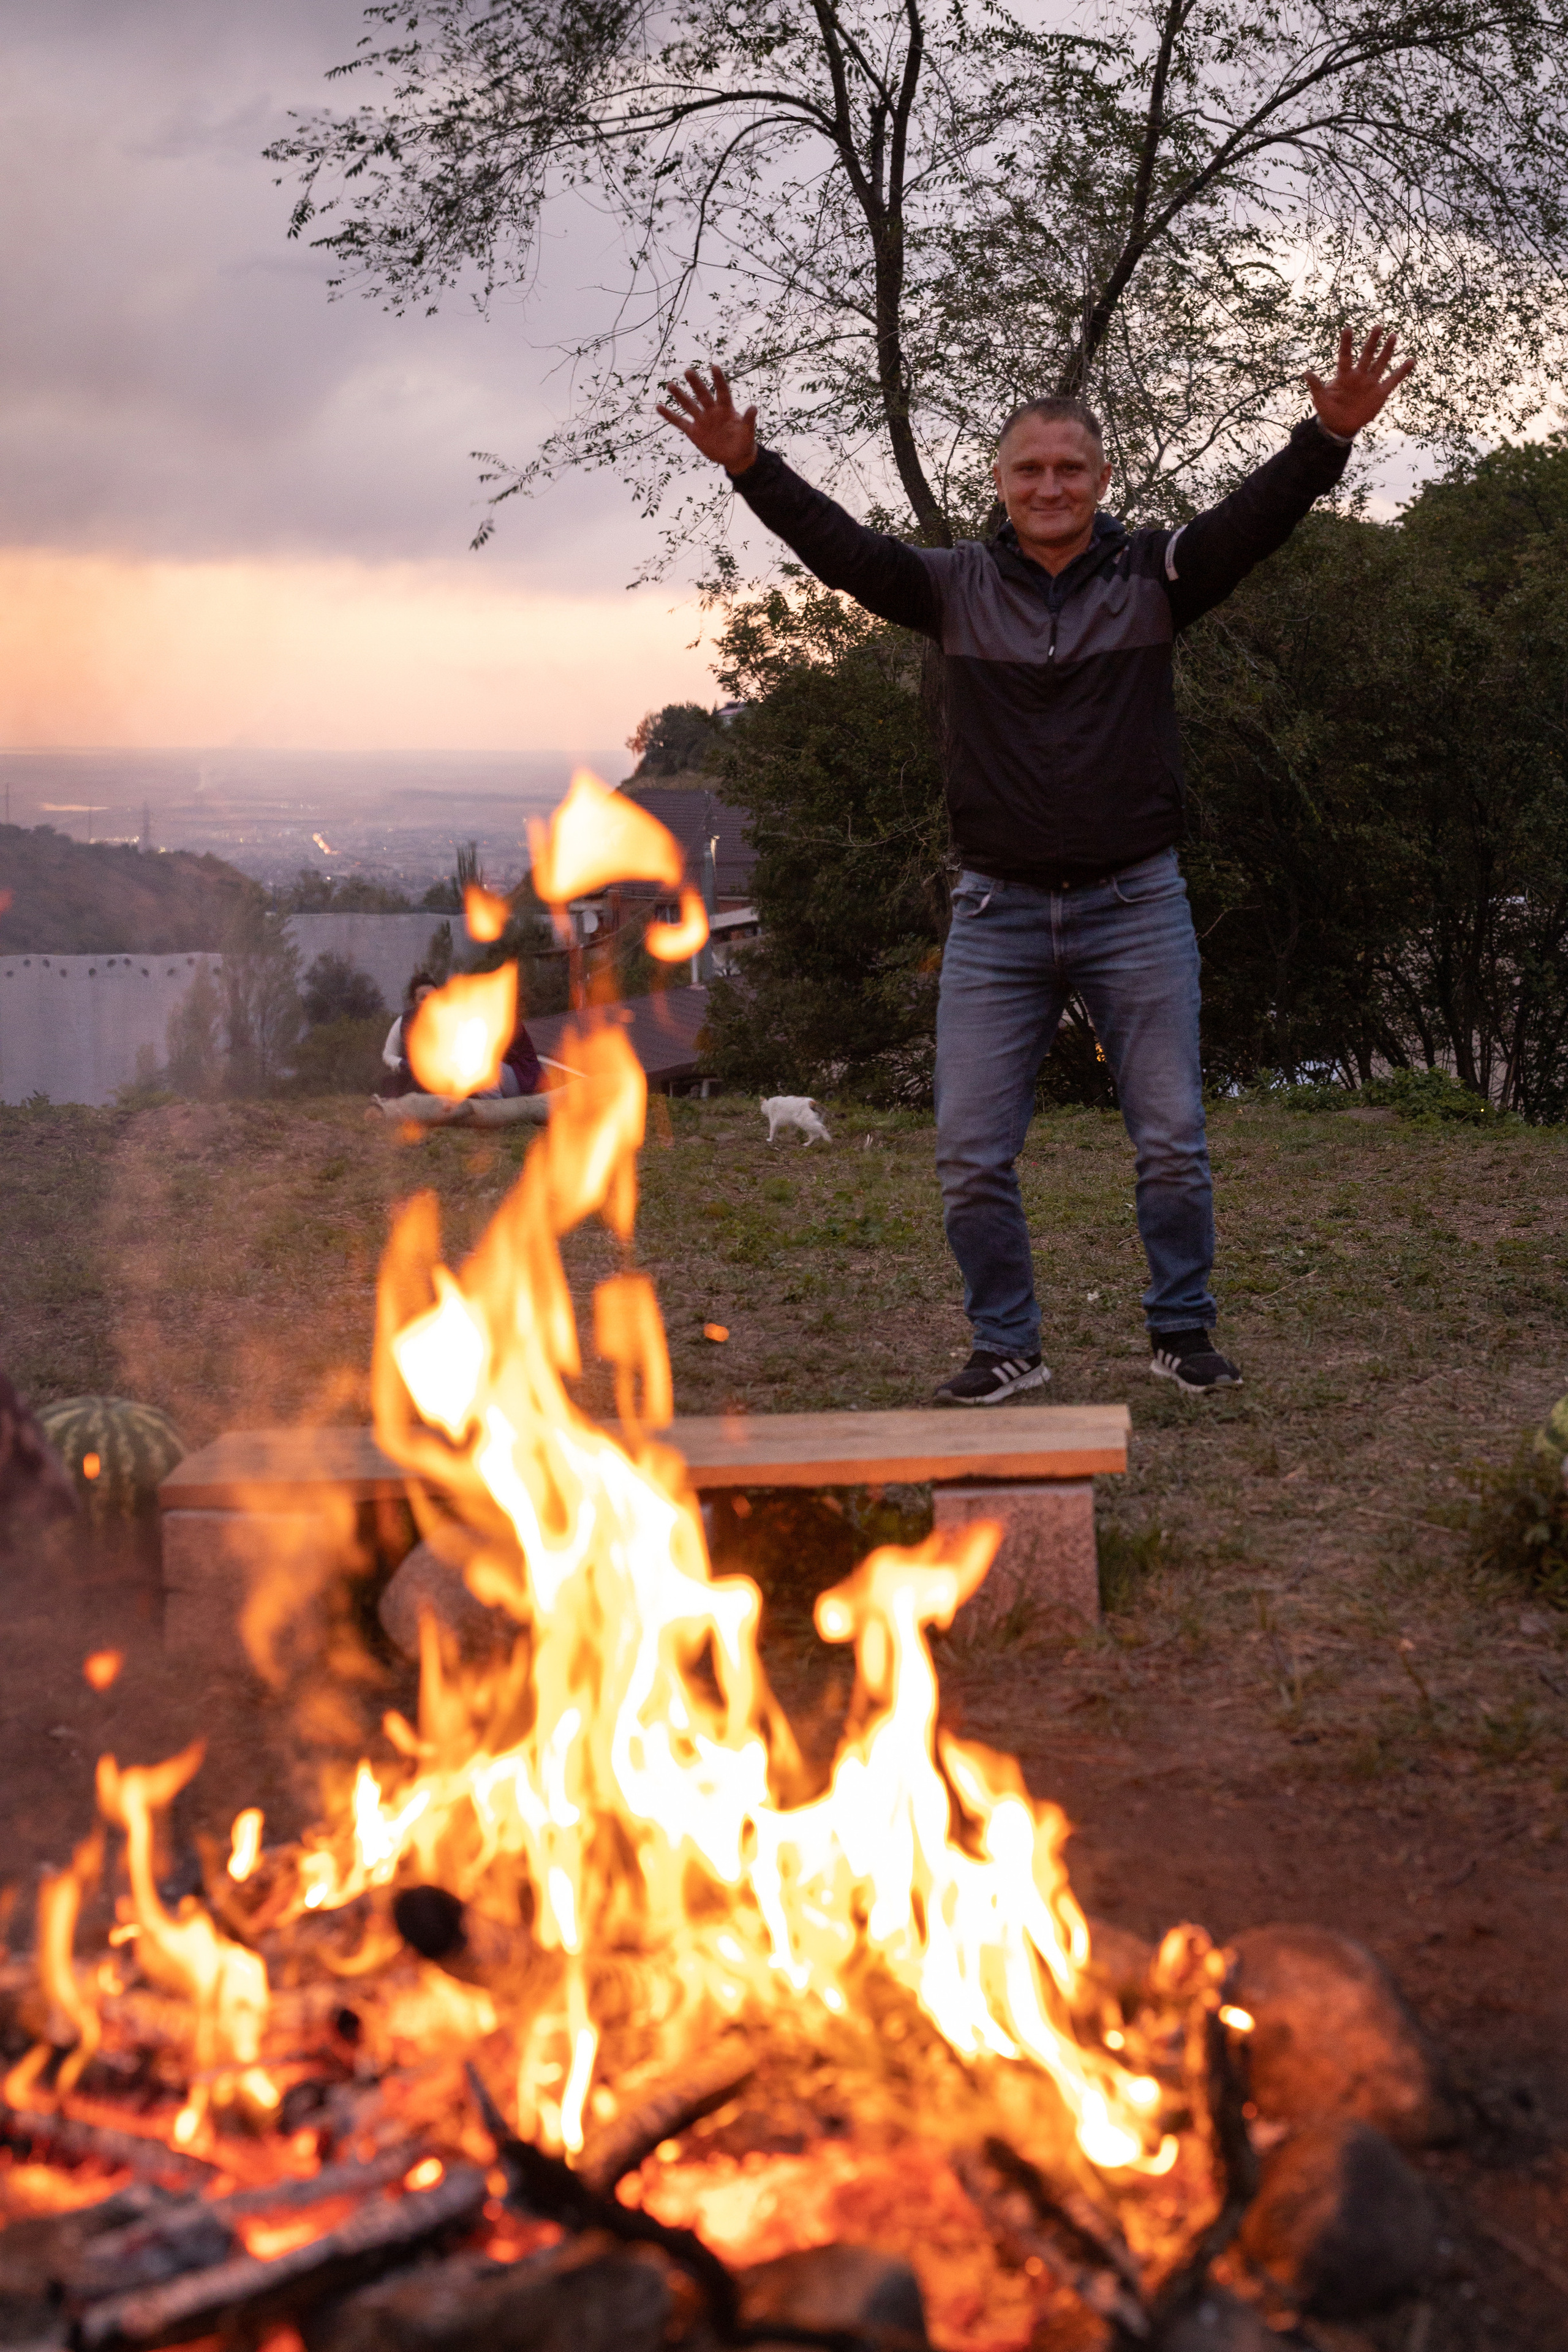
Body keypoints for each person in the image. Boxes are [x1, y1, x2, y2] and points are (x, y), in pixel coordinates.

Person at [657, 330, 1414, 1401]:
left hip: (1134, 903)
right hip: (996, 912)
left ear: (1103, 480)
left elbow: (1254, 523)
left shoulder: (1156, 575)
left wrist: (1326, 438)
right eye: (1029, 469)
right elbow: (844, 548)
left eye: (1070, 468)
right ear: (1002, 484)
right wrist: (749, 464)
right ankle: (1008, 1344)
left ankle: (1182, 1329)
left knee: (1172, 1145)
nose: (1050, 485)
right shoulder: (954, 586)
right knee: (970, 1157)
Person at [380, 968, 543, 1101]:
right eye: (423, 998)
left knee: (477, 1068)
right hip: (424, 1073)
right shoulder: (405, 1021)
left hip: (523, 1079)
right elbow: (389, 1054)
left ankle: (496, 1108)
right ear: (413, 1001)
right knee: (394, 1083)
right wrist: (404, 1064)